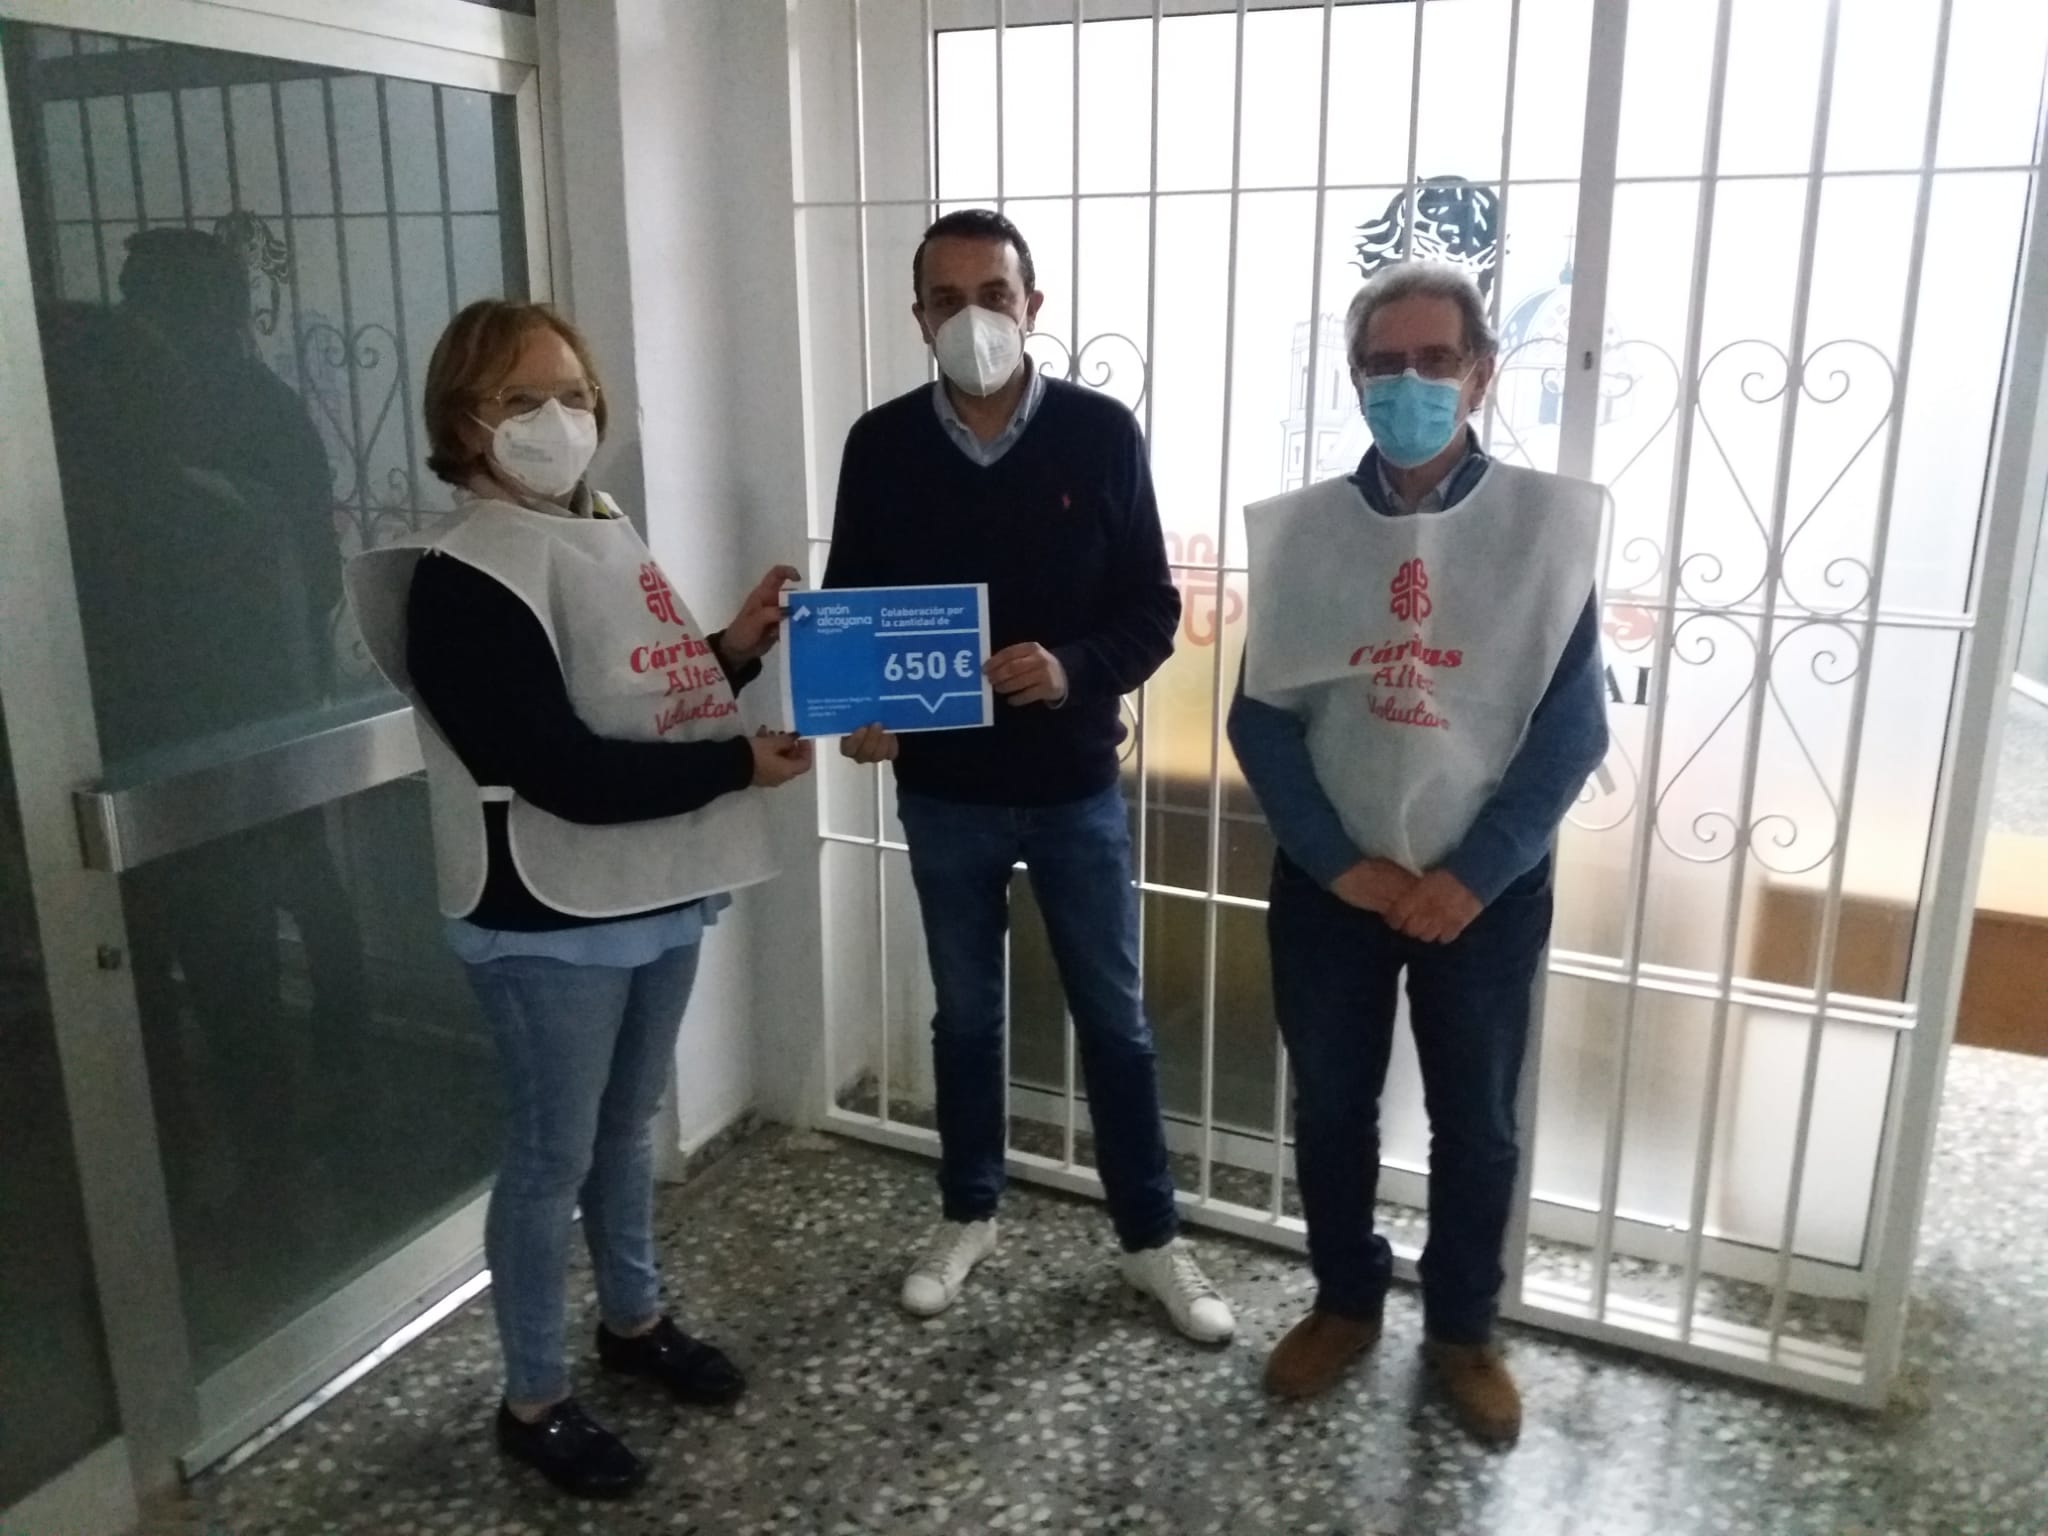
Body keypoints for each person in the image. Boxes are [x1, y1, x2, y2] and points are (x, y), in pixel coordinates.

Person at [347, 301, 814, 1498]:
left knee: (623, 1124)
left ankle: (633, 1320)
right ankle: (533, 1399)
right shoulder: (463, 578)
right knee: (549, 1152)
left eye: (572, 394)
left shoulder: (597, 531)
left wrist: (734, 649)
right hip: (545, 912)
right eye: (520, 399)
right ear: (463, 422)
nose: (556, 419)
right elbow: (557, 769)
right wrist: (737, 765)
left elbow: (636, 699)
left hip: (651, 885)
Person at [825, 209, 1234, 1345]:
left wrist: (1069, 669)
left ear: (1032, 307)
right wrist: (861, 712)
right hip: (942, 793)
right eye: (946, 299)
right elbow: (851, 610)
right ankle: (968, 1214)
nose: (973, 319)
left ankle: (1150, 1237)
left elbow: (1152, 610)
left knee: (1115, 1020)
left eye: (994, 295)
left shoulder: (1100, 435)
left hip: (1072, 787)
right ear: (918, 318)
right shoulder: (880, 445)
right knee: (965, 1017)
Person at [1229, 262, 1608, 1444]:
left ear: (1480, 374)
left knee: (1475, 1123)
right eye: (1383, 364)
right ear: (1354, 379)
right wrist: (1338, 862)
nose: (1408, 383)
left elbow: (1572, 728)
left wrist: (1471, 875)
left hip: (1480, 892)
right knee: (1331, 1106)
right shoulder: (1306, 537)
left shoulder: (1541, 534)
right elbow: (1258, 717)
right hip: (1332, 881)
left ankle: (1462, 1330)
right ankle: (1344, 1299)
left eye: (1434, 361)